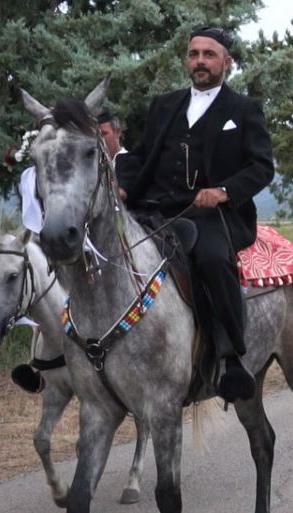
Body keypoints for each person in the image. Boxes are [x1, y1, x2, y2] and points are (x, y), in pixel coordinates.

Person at [116, 27, 275, 402]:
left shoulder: (244, 110)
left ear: (226, 62)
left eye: (209, 54)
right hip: (155, 208)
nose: (200, 61)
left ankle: (231, 355)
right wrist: (123, 185)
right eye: (194, 54)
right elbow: (138, 156)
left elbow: (261, 167)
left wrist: (223, 191)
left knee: (212, 258)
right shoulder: (164, 105)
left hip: (213, 215)